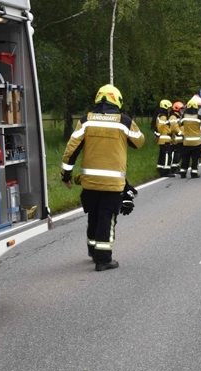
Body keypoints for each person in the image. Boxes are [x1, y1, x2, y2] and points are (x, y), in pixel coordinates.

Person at [61, 84, 145, 271]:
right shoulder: (124, 121)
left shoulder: (86, 121)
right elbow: (139, 141)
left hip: (90, 182)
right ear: (118, 100)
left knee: (94, 215)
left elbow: (71, 149)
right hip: (113, 183)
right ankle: (103, 259)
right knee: (107, 218)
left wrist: (66, 175)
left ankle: (92, 250)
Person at [178, 98, 201, 178]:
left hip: (186, 142)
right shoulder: (199, 117)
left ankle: (183, 173)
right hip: (196, 143)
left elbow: (179, 124)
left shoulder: (184, 117)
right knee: (195, 159)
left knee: (185, 158)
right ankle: (194, 173)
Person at [155, 99, 176, 177]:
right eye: (169, 108)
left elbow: (156, 128)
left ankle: (160, 169)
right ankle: (165, 172)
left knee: (162, 155)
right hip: (165, 139)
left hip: (162, 139)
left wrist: (157, 135)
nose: (170, 109)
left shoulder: (160, 115)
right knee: (167, 155)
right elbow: (160, 127)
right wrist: (161, 133)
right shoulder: (163, 116)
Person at [169, 100, 184, 175]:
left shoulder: (179, 116)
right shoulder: (173, 117)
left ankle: (176, 166)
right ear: (177, 109)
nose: (182, 111)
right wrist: (181, 133)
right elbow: (174, 127)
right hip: (175, 139)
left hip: (180, 139)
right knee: (176, 153)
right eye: (181, 109)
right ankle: (173, 168)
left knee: (179, 154)